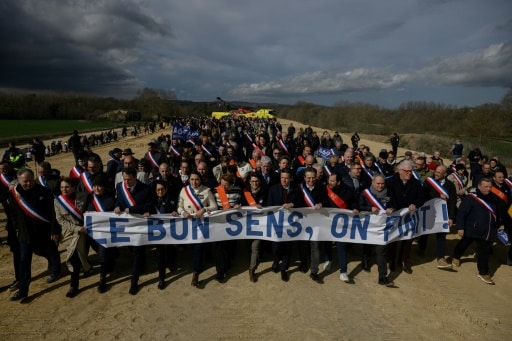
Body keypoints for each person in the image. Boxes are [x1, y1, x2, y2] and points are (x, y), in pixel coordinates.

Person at [9, 169, 61, 302]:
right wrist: (17, 228)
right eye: (25, 181)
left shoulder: (44, 191)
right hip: (25, 234)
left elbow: (54, 212)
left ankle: (55, 270)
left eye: (30, 180)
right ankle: (23, 290)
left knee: (49, 250)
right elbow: (13, 214)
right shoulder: (15, 194)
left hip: (43, 231)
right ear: (19, 180)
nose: (28, 183)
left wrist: (55, 230)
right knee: (24, 260)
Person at [114, 167, 154, 295]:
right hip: (126, 226)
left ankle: (134, 281)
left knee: (136, 251)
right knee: (134, 250)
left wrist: (132, 210)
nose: (126, 182)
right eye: (124, 179)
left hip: (139, 226)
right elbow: (118, 200)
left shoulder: (145, 189)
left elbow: (149, 206)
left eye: (129, 180)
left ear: (135, 177)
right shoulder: (120, 187)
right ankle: (142, 263)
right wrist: (116, 206)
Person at [451, 178, 498, 285]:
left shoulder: (493, 198)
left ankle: (483, 272)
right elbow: (461, 213)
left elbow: (496, 213)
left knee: (484, 252)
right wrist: (460, 227)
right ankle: (456, 256)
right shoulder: (471, 198)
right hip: (472, 229)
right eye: (486, 187)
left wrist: (496, 226)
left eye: (490, 187)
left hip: (487, 231)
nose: (488, 189)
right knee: (464, 244)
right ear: (479, 186)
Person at [177, 170, 217, 287]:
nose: (194, 182)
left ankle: (195, 273)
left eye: (197, 179)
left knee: (198, 247)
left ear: (201, 180)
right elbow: (179, 206)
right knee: (193, 248)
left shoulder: (207, 190)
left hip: (201, 224)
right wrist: (183, 212)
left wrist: (204, 209)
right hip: (188, 223)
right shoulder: (184, 190)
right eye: (192, 179)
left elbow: (214, 206)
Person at [54, 178, 91, 298]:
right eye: (62, 187)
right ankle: (79, 278)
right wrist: (75, 229)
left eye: (67, 187)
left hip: (83, 231)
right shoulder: (57, 201)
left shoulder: (82, 197)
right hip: (69, 233)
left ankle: (80, 276)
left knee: (79, 254)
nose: (64, 189)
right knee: (74, 256)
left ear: (74, 187)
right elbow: (60, 219)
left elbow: (89, 211)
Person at [386, 160, 425, 274]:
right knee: (393, 239)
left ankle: (403, 260)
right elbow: (386, 197)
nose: (409, 173)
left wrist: (415, 204)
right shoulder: (390, 182)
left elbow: (421, 198)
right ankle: (391, 260)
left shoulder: (416, 183)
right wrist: (391, 207)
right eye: (407, 171)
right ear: (400, 171)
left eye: (411, 171)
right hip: (394, 215)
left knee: (408, 239)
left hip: (410, 216)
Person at [359, 174, 395, 286]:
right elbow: (359, 206)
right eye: (378, 183)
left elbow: (395, 204)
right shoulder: (365, 194)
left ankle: (382, 276)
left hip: (382, 227)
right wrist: (369, 208)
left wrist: (392, 208)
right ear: (372, 183)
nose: (380, 186)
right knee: (367, 247)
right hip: (369, 226)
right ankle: (365, 262)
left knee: (381, 251)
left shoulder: (389, 193)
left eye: (382, 183)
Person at [84, 174, 117, 293]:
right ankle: (111, 261)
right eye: (95, 186)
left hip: (106, 233)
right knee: (101, 252)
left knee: (102, 257)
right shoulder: (90, 197)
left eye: (99, 186)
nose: (97, 189)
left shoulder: (110, 198)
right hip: (92, 233)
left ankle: (102, 280)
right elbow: (83, 211)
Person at [324, 172, 358, 283]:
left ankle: (343, 272)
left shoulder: (348, 190)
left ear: (338, 182)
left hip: (342, 223)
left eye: (333, 181)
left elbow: (354, 202)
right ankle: (328, 259)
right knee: (327, 243)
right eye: (329, 180)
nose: (330, 182)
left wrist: (355, 208)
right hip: (327, 221)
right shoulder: (325, 189)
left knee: (341, 246)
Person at [267, 168, 299, 282]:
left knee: (287, 247)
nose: (284, 180)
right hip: (277, 224)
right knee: (276, 247)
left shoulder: (296, 190)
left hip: (290, 225)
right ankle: (276, 259)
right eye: (282, 178)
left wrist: (292, 204)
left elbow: (301, 203)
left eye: (286, 178)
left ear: (290, 178)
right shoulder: (273, 189)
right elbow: (269, 205)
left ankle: (284, 269)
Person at [421, 165, 457, 268]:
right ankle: (421, 249)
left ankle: (440, 258)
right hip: (430, 212)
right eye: (436, 171)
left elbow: (452, 202)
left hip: (443, 214)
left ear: (445, 174)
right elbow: (424, 196)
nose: (436, 173)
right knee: (425, 233)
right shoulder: (429, 182)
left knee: (441, 235)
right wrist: (438, 197)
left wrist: (451, 217)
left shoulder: (450, 185)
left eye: (439, 172)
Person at [296, 167, 325, 283]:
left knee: (315, 247)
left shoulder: (321, 188)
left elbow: (326, 201)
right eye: (309, 178)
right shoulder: (299, 188)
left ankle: (314, 271)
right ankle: (304, 263)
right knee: (303, 245)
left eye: (313, 177)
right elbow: (296, 202)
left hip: (316, 223)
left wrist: (321, 204)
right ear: (304, 178)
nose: (311, 180)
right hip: (303, 221)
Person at [148, 180, 179, 290]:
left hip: (170, 232)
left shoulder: (172, 199)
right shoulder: (152, 200)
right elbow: (147, 209)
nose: (160, 191)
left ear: (166, 189)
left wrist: (176, 212)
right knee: (160, 255)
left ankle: (172, 263)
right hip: (158, 232)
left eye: (162, 189)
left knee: (171, 250)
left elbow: (178, 209)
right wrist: (148, 213)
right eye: (157, 190)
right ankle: (162, 278)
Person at [241, 172, 268, 282]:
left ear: (260, 181)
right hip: (246, 225)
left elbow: (270, 206)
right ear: (249, 182)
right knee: (249, 247)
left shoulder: (265, 193)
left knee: (255, 247)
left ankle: (251, 269)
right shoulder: (245, 193)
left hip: (260, 225)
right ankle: (255, 259)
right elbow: (241, 205)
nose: (254, 183)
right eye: (252, 181)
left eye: (256, 181)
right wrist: (239, 206)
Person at [490, 171, 512, 265]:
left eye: (503, 177)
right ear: (494, 178)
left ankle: (510, 257)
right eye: (499, 177)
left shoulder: (506, 188)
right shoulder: (489, 188)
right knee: (490, 234)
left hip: (506, 215)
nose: (502, 179)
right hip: (493, 215)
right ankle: (488, 250)